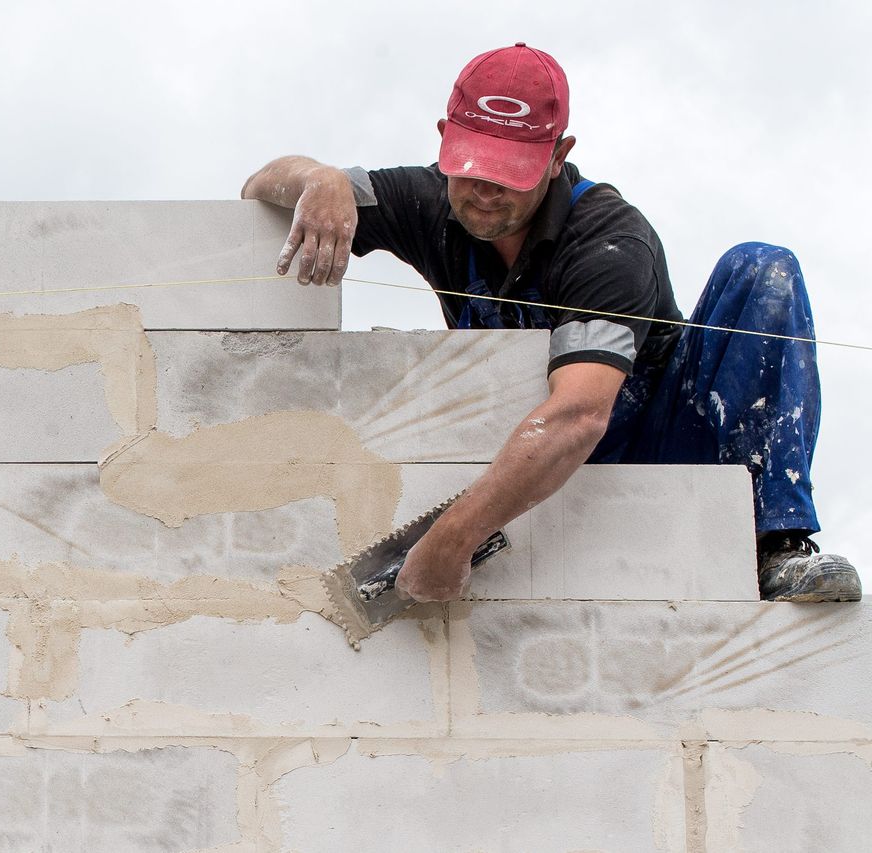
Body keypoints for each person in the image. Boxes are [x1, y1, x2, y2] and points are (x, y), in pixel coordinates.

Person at [241, 42, 860, 603]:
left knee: (762, 270)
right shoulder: (430, 202)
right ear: (444, 141)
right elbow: (258, 183)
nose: (483, 191)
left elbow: (579, 416)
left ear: (558, 156)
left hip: (650, 443)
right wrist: (320, 180)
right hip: (529, 453)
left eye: (508, 174)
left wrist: (457, 536)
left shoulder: (609, 245)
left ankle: (775, 547)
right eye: (471, 165)